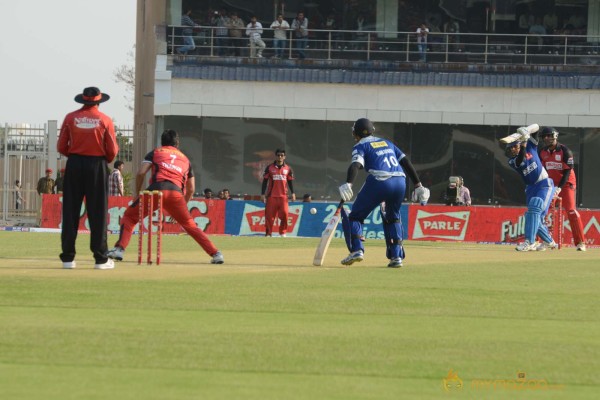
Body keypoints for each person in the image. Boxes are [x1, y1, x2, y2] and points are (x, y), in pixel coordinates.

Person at [107, 129, 224, 264]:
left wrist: (137, 194)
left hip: (156, 190)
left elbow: (140, 173)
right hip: (176, 193)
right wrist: (182, 206)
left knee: (130, 216)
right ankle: (216, 253)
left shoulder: (156, 152)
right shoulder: (185, 159)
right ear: (177, 143)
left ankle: (119, 250)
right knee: (190, 225)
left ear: (162, 142)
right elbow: (191, 188)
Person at [338, 118, 428, 268]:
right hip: (400, 182)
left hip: (380, 181)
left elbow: (356, 165)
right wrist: (418, 185)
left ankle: (357, 250)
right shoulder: (387, 142)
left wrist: (349, 183)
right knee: (392, 218)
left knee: (355, 216)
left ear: (356, 133)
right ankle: (396, 257)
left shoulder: (360, 145)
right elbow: (406, 162)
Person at [58, 86, 119, 269]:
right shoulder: (105, 120)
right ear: (99, 101)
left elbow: (61, 146)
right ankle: (100, 259)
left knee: (70, 211)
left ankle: (68, 258)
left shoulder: (70, 118)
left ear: (83, 100)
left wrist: (75, 156)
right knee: (98, 212)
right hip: (96, 165)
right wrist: (101, 160)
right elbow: (112, 150)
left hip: (74, 164)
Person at [502, 126, 557, 252]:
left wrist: (527, 131)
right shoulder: (513, 161)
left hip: (544, 183)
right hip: (531, 188)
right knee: (532, 216)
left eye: (512, 148)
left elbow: (537, 128)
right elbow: (521, 158)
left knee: (534, 209)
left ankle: (530, 242)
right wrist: (524, 143)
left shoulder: (531, 147)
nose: (510, 151)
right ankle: (550, 242)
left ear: (517, 145)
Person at [538, 127, 587, 251]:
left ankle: (581, 243)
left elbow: (566, 173)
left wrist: (559, 188)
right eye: (544, 137)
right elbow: (542, 171)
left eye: (549, 136)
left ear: (555, 136)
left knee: (571, 211)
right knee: (543, 212)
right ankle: (545, 241)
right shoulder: (542, 152)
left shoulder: (565, 151)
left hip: (566, 184)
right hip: (551, 184)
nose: (546, 138)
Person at [261, 148, 296, 237]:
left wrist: (293, 193)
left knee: (284, 215)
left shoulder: (288, 168)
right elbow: (265, 181)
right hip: (271, 196)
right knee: (269, 217)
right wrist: (262, 194)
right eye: (278, 155)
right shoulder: (269, 168)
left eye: (282, 155)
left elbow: (290, 181)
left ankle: (283, 233)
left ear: (284, 157)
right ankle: (268, 234)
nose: (280, 157)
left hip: (283, 197)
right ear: (276, 156)